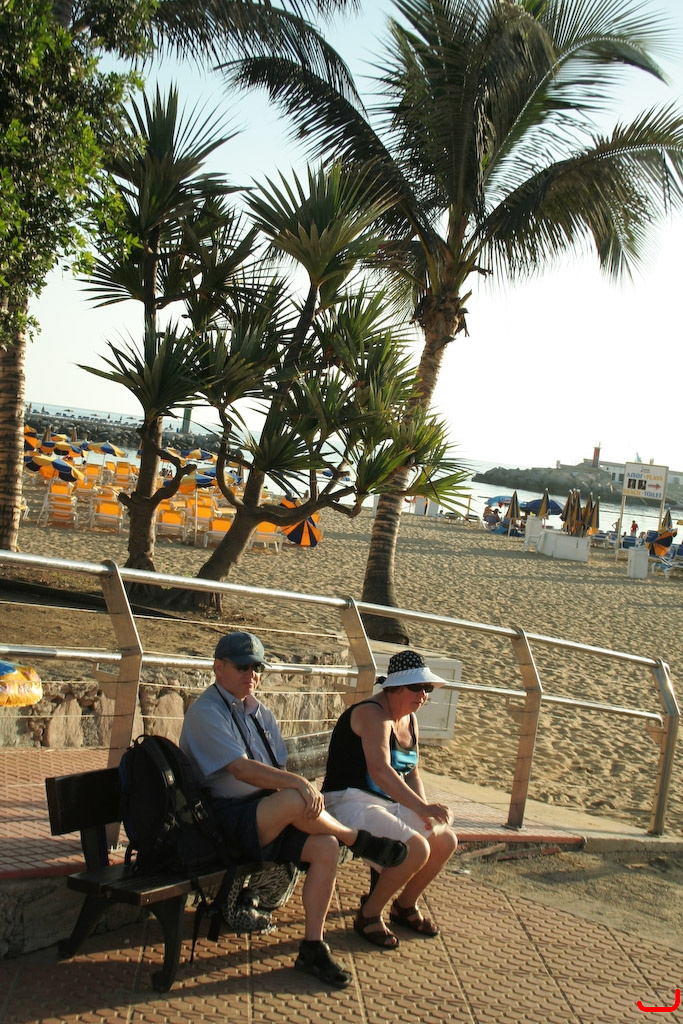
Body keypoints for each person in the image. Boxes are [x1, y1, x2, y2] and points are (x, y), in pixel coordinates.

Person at [179, 631, 408, 989]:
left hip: (263, 814)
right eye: (242, 667)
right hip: (222, 821)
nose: (251, 675)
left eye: (257, 668)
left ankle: (313, 946)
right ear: (218, 667)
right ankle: (357, 840)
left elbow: (276, 768)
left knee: (325, 847)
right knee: (293, 799)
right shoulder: (206, 712)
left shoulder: (260, 712)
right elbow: (241, 769)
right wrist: (299, 785)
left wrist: (297, 789)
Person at [322, 650, 458, 950]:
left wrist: (423, 810)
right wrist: (421, 807)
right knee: (416, 849)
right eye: (416, 687)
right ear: (394, 688)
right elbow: (380, 770)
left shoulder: (410, 720)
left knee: (445, 840)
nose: (423, 695)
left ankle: (404, 905)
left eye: (427, 688)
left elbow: (411, 773)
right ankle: (369, 914)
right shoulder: (373, 714)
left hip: (385, 802)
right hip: (348, 801)